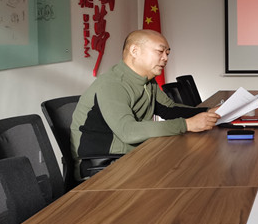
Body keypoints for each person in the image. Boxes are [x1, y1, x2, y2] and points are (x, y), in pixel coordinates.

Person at [70, 29, 220, 179]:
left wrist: (208, 112)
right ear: (134, 51)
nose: (165, 58)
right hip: (103, 165)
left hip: (134, 153)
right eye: (160, 51)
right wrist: (187, 125)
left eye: (167, 53)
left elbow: (169, 109)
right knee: (186, 170)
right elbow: (128, 132)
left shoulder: (147, 81)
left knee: (195, 162)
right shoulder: (112, 83)